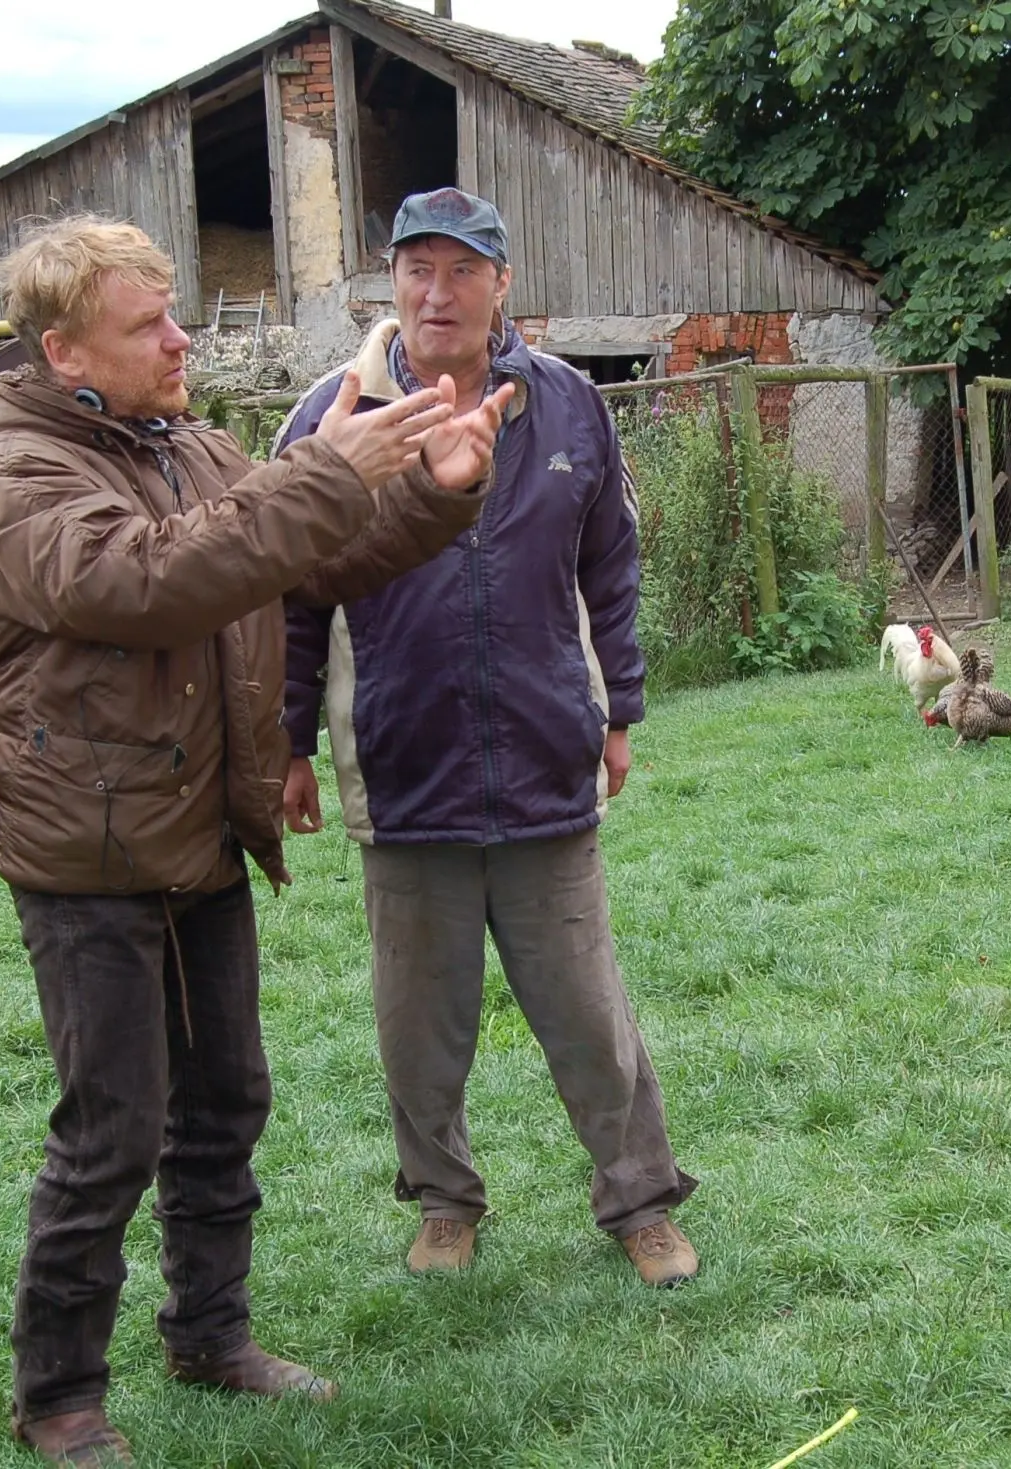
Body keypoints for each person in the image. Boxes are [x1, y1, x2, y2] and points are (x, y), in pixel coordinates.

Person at [0, 214, 512, 1465]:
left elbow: (303, 558)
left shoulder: (185, 446)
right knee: (112, 1127)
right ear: (63, 351)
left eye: (172, 312)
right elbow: (145, 583)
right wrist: (322, 471)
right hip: (88, 851)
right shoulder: (13, 472)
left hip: (197, 828)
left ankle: (209, 1335)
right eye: (146, 323)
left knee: (223, 1101)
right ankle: (57, 1395)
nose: (179, 339)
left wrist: (435, 489)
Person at [277, 189, 700, 1286]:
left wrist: (619, 709)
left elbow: (610, 566)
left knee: (588, 1011)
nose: (438, 292)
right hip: (401, 763)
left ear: (501, 284)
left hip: (544, 754)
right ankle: (445, 1201)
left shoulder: (569, 406)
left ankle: (641, 1200)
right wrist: (287, 740)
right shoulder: (334, 415)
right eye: (417, 268)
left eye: (463, 269)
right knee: (418, 1022)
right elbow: (288, 592)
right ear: (390, 282)